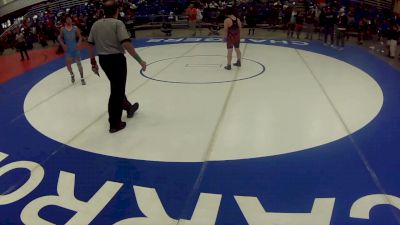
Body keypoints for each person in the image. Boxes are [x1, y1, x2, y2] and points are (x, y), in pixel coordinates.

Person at [88, 0, 147, 133]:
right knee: (116, 90)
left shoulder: (96, 24)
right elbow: (126, 44)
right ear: (116, 11)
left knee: (116, 86)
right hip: (116, 60)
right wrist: (140, 61)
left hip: (103, 60)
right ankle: (114, 123)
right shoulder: (117, 23)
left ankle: (127, 106)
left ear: (103, 11)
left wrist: (93, 62)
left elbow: (90, 44)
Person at [58, 14, 86, 85]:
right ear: (65, 20)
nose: (69, 20)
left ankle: (82, 78)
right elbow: (60, 38)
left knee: (79, 64)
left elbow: (80, 37)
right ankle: (72, 74)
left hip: (75, 48)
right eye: (67, 19)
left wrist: (79, 43)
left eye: (70, 19)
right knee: (68, 65)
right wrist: (63, 45)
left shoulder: (75, 28)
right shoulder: (62, 29)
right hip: (68, 49)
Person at [223, 6, 242, 70]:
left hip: (230, 38)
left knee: (230, 51)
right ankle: (239, 61)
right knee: (237, 49)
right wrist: (237, 35)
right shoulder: (238, 19)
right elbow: (240, 28)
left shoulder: (227, 20)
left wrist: (225, 38)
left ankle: (229, 65)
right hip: (237, 37)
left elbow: (225, 30)